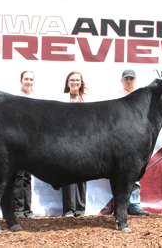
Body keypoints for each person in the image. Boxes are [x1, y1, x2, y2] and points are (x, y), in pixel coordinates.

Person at [116, 69, 149, 216]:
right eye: (126, 79)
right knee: (117, 174)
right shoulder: (116, 98)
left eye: (131, 79)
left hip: (135, 140)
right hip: (119, 140)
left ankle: (135, 205)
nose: (129, 81)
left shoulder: (141, 98)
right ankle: (119, 207)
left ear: (135, 81)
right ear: (122, 81)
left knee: (134, 173)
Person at [61, 71, 90, 217]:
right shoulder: (60, 99)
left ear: (81, 82)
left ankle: (80, 208)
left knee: (83, 174)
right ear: (67, 83)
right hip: (66, 141)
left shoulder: (88, 100)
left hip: (84, 142)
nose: (75, 82)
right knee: (67, 174)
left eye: (77, 80)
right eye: (72, 80)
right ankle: (68, 209)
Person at [13, 71, 36, 219]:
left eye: (31, 79)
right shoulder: (15, 98)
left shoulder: (36, 99)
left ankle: (28, 210)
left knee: (28, 176)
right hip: (18, 141)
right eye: (26, 79)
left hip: (33, 142)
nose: (28, 82)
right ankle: (18, 210)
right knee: (18, 175)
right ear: (21, 80)